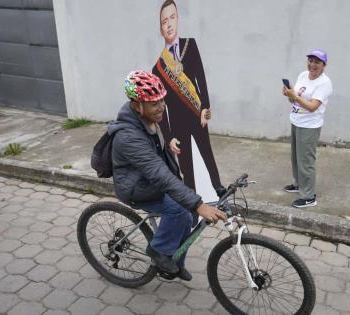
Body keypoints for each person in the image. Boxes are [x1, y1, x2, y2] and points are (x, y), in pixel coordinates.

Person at [108, 70, 227, 281]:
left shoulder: (148, 117)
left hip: (151, 181)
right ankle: (158, 251)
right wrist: (198, 204)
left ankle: (175, 262)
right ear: (137, 105)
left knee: (188, 212)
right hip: (136, 188)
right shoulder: (128, 136)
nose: (161, 106)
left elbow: (158, 155)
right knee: (181, 211)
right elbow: (158, 173)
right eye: (154, 103)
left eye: (162, 100)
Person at [152, 0, 225, 198]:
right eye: (164, 21)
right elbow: (161, 107)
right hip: (176, 122)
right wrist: (168, 137)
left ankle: (217, 187)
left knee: (206, 152)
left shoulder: (190, 44)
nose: (168, 24)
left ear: (178, 20)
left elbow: (201, 77)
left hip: (196, 112)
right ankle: (192, 203)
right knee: (186, 166)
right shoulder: (158, 67)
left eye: (172, 18)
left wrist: (205, 107)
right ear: (160, 28)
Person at [282, 49, 333, 208]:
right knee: (296, 158)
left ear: (324, 65)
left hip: (310, 126)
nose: (312, 64)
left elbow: (312, 107)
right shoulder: (303, 75)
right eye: (310, 60)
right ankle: (299, 185)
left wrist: (295, 96)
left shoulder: (324, 83)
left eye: (317, 62)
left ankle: (309, 196)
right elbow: (294, 101)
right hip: (296, 120)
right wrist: (289, 94)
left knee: (306, 162)